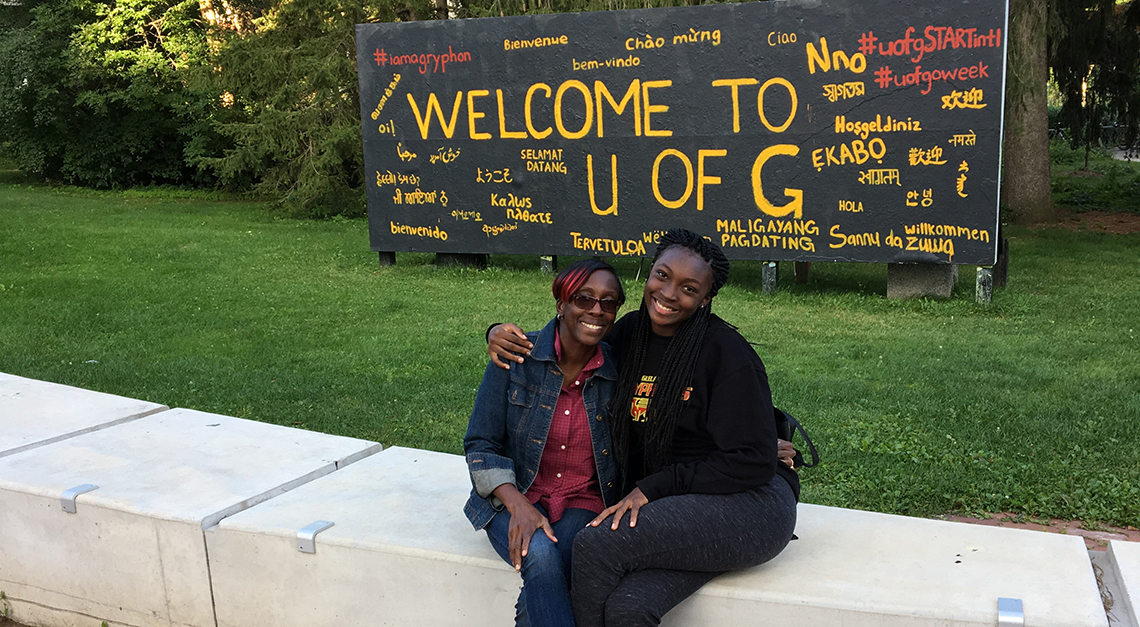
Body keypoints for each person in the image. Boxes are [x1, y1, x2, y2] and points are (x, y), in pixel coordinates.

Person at [488, 229, 799, 627]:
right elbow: (567, 340)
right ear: (649, 272)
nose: (669, 294)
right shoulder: (629, 334)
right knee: (628, 609)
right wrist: (497, 333)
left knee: (597, 546)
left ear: (706, 298)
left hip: (750, 506)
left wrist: (653, 487)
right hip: (677, 508)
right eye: (662, 275)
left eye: (689, 288)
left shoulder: (727, 353)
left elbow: (751, 462)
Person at [464, 259, 627, 627]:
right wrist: (518, 505)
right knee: (540, 555)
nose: (596, 310)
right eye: (584, 299)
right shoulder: (516, 357)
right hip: (512, 495)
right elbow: (481, 443)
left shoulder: (618, 371)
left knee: (558, 556)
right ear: (561, 304)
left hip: (583, 501)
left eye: (609, 302)